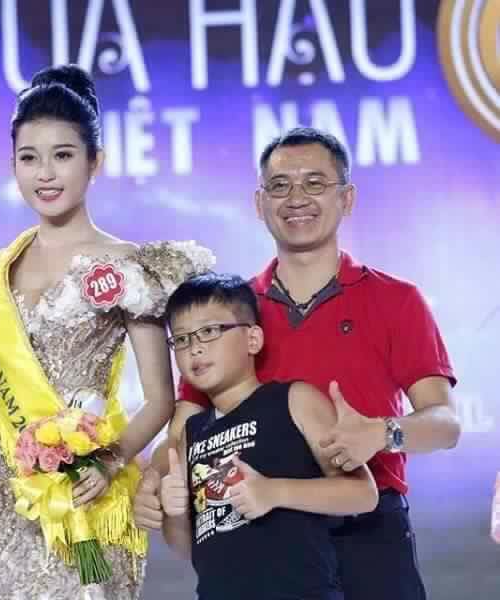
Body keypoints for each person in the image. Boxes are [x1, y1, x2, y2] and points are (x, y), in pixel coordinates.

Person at [134, 127, 460, 600]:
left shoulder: (396, 299)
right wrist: (155, 478)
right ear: (259, 203)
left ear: (347, 198)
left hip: (369, 526)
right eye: (280, 185)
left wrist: (381, 433)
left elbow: (445, 423)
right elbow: (184, 429)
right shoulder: (229, 312)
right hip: (264, 535)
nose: (296, 198)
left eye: (315, 183)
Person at [0, 64, 215, 599]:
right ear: (13, 165)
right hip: (10, 497)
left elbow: (160, 399)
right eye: (29, 158)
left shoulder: (128, 266)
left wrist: (110, 462)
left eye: (62, 155)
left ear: (95, 162)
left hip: (90, 491)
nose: (45, 174)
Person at [159, 273, 377, 599]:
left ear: (253, 339)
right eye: (181, 339)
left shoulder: (295, 400)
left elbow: (363, 493)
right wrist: (174, 513)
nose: (195, 348)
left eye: (209, 331)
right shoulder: (191, 434)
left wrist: (274, 492)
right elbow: (186, 547)